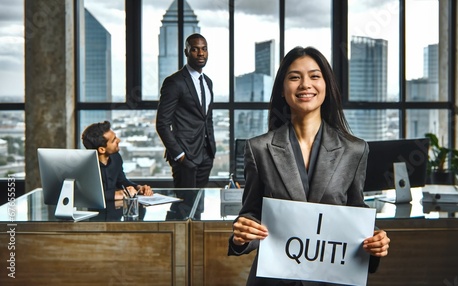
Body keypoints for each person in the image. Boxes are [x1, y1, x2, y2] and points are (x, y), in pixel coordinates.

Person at [227, 46, 390, 285]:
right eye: (294, 77)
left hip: (332, 279)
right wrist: (240, 237)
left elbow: (356, 214)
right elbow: (252, 214)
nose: (305, 84)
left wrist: (375, 238)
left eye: (315, 76)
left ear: (327, 86)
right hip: (274, 280)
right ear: (283, 90)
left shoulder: (355, 150)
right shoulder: (259, 148)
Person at [156, 33, 216, 219]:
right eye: (195, 49)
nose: (200, 53)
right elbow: (162, 123)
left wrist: (211, 150)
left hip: (205, 154)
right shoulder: (174, 82)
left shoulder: (207, 82)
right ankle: (178, 246)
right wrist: (180, 155)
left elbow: (207, 119)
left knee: (198, 206)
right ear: (186, 52)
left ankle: (197, 244)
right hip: (185, 156)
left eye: (204, 48)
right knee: (184, 209)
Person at [81, 120, 153, 201]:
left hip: (116, 210)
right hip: (96, 212)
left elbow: (121, 181)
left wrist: (138, 188)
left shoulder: (116, 157)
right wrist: (118, 194)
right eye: (114, 140)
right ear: (102, 149)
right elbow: (88, 195)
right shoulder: (87, 167)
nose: (119, 140)